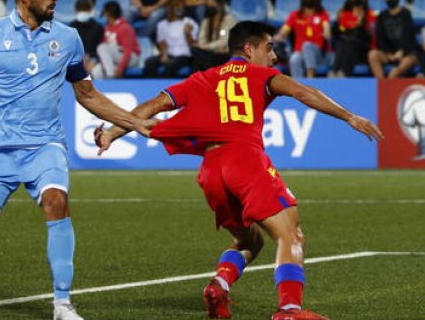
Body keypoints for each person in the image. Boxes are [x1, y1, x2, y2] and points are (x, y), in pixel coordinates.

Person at [93, 21, 382, 320]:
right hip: (245, 160)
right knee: (291, 235)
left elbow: (152, 107)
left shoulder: (201, 78)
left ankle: (218, 285)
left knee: (250, 240)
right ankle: (289, 310)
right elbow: (304, 92)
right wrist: (350, 117)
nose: (273, 57)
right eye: (268, 48)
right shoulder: (263, 75)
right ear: (249, 49)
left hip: (211, 170)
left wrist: (112, 134)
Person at [0, 0, 152, 319]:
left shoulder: (67, 38)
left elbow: (87, 94)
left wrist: (134, 123)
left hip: (44, 145)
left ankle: (62, 303)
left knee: (57, 201)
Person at [278, 0, 331, 78]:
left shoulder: (323, 14)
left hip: (318, 54)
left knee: (307, 46)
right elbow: (284, 31)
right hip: (300, 52)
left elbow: (327, 29)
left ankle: (310, 80)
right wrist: (279, 36)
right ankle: (298, 88)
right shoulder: (294, 15)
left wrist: (327, 33)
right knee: (294, 59)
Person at [368, 0, 419, 78]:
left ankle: (390, 81)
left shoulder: (405, 13)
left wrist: (402, 51)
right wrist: (388, 53)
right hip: (388, 53)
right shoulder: (382, 15)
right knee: (372, 55)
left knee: (403, 65)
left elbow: (408, 35)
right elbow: (380, 37)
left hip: (406, 52)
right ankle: (381, 83)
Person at [143, 0, 198, 78]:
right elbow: (162, 42)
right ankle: (151, 86)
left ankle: (166, 88)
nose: (180, 9)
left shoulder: (190, 22)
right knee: (149, 62)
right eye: (177, 6)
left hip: (185, 55)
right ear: (170, 8)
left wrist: (187, 34)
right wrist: (164, 55)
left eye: (182, 7)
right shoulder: (162, 25)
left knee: (170, 66)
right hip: (169, 54)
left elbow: (193, 44)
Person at [93, 0, 141, 79]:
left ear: (107, 13)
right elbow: (106, 53)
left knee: (101, 47)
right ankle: (106, 90)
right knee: (97, 71)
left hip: (131, 58)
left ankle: (110, 77)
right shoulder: (108, 28)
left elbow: (128, 51)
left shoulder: (125, 28)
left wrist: (120, 69)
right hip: (116, 57)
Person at [331, 0, 373, 77]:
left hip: (363, 51)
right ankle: (335, 71)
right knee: (342, 41)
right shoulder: (346, 17)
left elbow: (368, 37)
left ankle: (344, 73)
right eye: (355, 7)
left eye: (359, 7)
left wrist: (360, 25)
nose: (356, 10)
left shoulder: (368, 18)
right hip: (348, 51)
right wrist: (337, 21)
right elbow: (336, 33)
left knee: (351, 42)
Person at [192, 0, 236, 71]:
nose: (209, 7)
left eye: (212, 4)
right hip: (210, 52)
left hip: (224, 53)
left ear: (219, 6)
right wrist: (206, 46)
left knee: (202, 61)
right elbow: (202, 39)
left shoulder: (229, 19)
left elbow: (225, 40)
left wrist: (209, 46)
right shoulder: (206, 20)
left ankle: (209, 74)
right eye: (208, 5)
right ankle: (211, 74)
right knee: (195, 50)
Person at [71, 0, 103, 74]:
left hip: (94, 60)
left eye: (85, 10)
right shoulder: (70, 28)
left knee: (96, 71)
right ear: (76, 11)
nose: (83, 12)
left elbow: (101, 47)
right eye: (81, 9)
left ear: (90, 11)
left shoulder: (98, 28)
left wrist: (92, 58)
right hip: (76, 59)